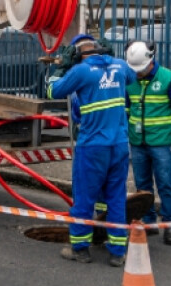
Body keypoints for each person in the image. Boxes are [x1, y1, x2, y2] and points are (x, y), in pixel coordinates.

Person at [47, 33, 135, 267]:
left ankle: (81, 249)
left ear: (76, 54)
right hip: (119, 145)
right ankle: (117, 252)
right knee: (115, 198)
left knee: (84, 198)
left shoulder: (81, 71)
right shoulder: (120, 65)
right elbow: (133, 79)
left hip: (93, 146)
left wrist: (59, 68)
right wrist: (113, 62)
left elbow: (53, 91)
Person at [124, 41, 171, 246]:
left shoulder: (169, 78)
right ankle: (148, 221)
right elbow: (127, 108)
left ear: (150, 61)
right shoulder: (130, 78)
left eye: (140, 69)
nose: (137, 73)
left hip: (161, 142)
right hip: (137, 141)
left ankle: (170, 224)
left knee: (165, 183)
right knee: (142, 185)